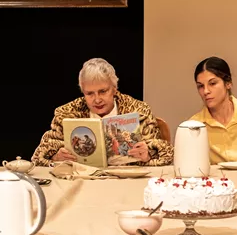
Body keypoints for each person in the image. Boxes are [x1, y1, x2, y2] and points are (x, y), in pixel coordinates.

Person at [32, 58, 173, 166]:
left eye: (103, 91)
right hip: (83, 181)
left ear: (114, 89)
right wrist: (56, 157)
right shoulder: (66, 114)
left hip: (126, 181)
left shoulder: (139, 111)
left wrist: (147, 155)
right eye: (90, 93)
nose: (97, 99)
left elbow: (166, 154)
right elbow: (38, 157)